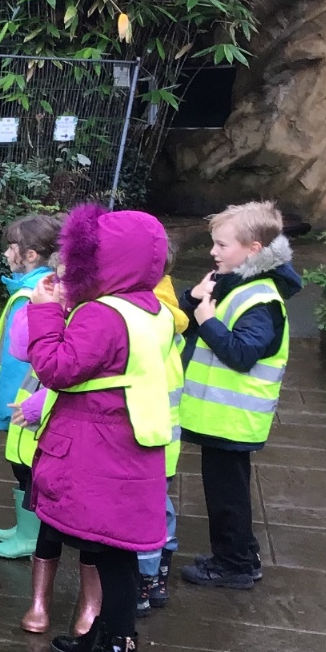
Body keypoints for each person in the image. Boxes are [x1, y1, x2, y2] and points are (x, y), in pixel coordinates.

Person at [26, 204, 176, 652]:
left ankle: (122, 649)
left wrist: (46, 311)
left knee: (111, 553)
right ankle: (106, 635)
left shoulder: (103, 314)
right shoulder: (150, 309)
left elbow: (57, 367)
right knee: (112, 550)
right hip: (126, 447)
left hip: (99, 450)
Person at [178, 201, 301, 590]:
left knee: (226, 496)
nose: (213, 251)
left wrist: (207, 321)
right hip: (222, 417)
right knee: (227, 491)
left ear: (253, 250)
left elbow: (243, 354)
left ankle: (234, 565)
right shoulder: (237, 282)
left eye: (222, 245)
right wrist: (194, 299)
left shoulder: (260, 300)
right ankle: (241, 554)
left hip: (232, 418)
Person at [0, 214, 61, 560]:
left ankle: (30, 537)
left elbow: (17, 364)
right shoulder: (36, 289)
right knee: (24, 465)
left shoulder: (30, 296)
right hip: (31, 397)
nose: (5, 253)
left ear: (29, 255)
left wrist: (3, 409)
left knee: (26, 465)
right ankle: (25, 529)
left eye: (10, 247)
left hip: (24, 399)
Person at [139, 244, 191, 614]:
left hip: (146, 438)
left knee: (145, 512)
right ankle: (157, 578)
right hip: (164, 438)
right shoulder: (166, 310)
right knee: (160, 506)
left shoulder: (147, 318)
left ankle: (143, 583)